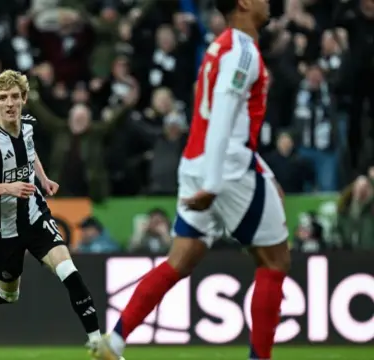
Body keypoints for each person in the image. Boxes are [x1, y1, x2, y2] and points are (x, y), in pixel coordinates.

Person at [92, 1, 290, 360]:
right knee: (275, 262)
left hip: (197, 160)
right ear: (243, 3)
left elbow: (224, 119)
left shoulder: (218, 47)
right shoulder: (242, 50)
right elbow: (224, 119)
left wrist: (262, 172)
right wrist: (214, 184)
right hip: (225, 166)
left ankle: (115, 340)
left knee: (179, 261)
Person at [0, 70, 102, 347]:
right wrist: (5, 188)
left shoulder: (28, 125)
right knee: (8, 294)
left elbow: (30, 150)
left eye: (15, 97)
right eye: (3, 98)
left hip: (35, 215)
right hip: (3, 228)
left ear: (24, 99)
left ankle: (97, 343)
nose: (10, 103)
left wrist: (43, 179)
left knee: (69, 273)